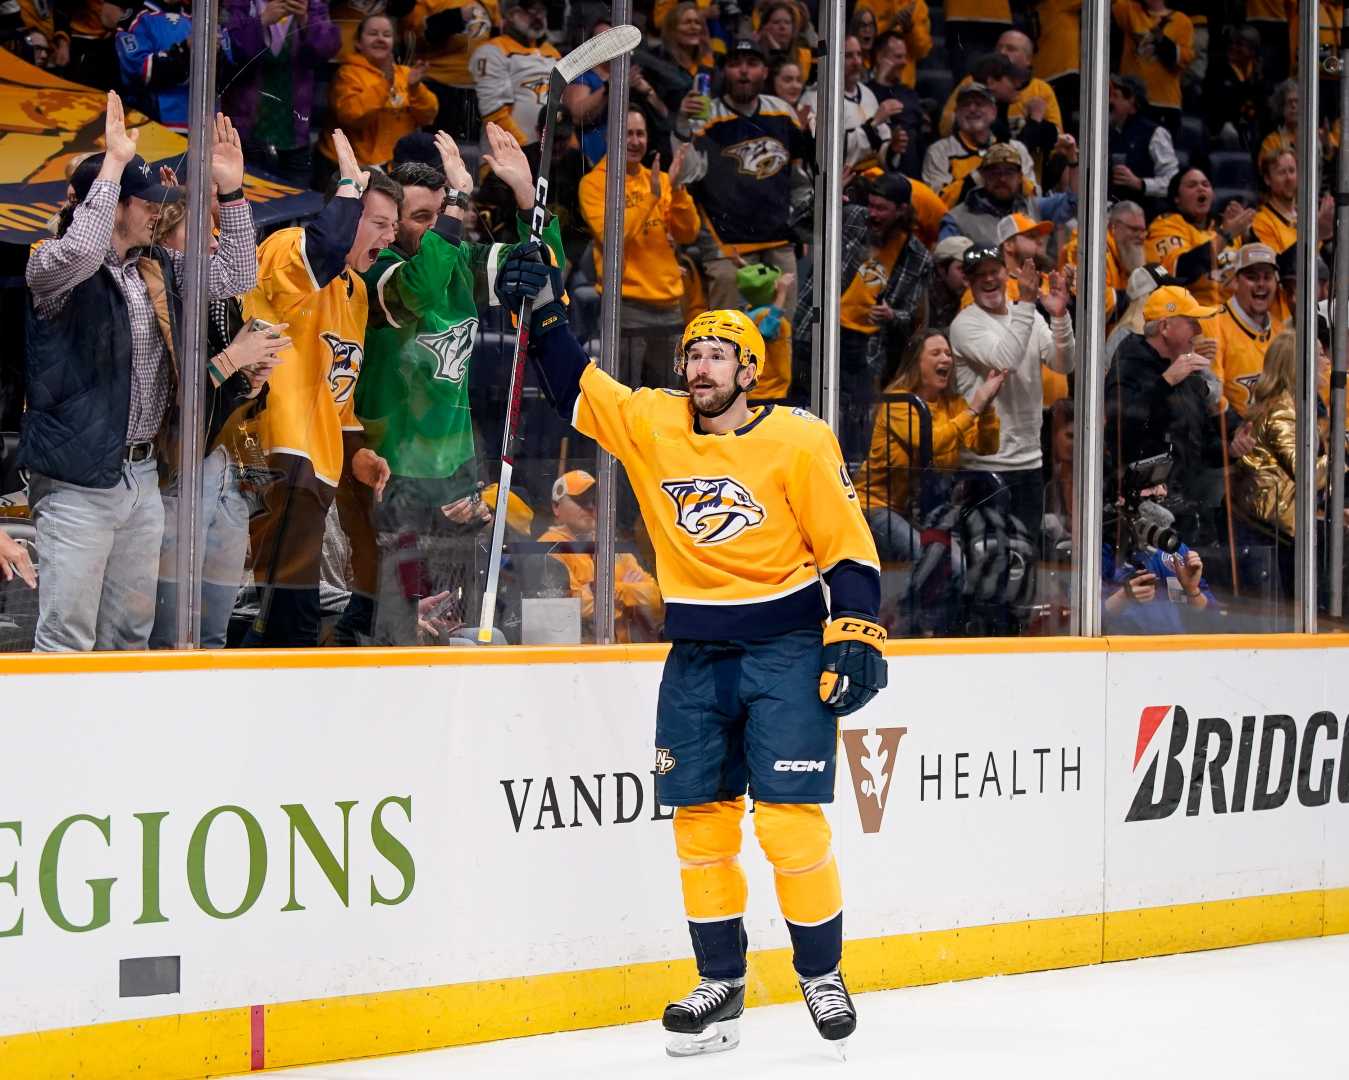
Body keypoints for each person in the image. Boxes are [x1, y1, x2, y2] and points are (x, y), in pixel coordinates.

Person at [495, 250, 888, 1052]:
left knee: (788, 827)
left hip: (784, 645)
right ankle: (722, 983)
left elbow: (846, 546)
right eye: (692, 354)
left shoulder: (798, 439)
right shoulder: (654, 422)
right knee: (700, 827)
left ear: (750, 369)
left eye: (718, 354)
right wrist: (541, 305)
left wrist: (854, 633)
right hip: (697, 654)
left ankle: (820, 972)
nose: (700, 365)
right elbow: (574, 384)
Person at [21, 97, 257, 652]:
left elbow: (237, 274)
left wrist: (234, 192)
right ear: (113, 205)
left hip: (142, 477)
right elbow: (81, 252)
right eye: (145, 202)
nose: (157, 212)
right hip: (78, 484)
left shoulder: (157, 266)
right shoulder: (49, 262)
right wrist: (110, 165)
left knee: (130, 638)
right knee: (66, 640)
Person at [339, 125, 559, 646]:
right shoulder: (378, 271)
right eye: (419, 219)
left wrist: (528, 197)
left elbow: (546, 269)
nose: (434, 228)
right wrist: (460, 201)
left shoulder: (456, 261)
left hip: (454, 471)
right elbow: (420, 291)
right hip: (389, 470)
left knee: (462, 618)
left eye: (439, 216)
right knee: (392, 622)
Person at [240, 130, 394, 647]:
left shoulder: (355, 291)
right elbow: (321, 249)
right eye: (377, 223)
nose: (388, 237)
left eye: (392, 227)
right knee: (285, 626)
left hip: (318, 471)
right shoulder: (289, 246)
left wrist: (359, 455)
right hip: (278, 454)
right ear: (344, 213)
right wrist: (350, 185)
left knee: (296, 622)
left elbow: (340, 398)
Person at [147, 196, 289, 650]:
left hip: (226, 464)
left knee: (213, 636)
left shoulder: (220, 299)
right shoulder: (157, 290)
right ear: (166, 239)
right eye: (199, 233)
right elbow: (173, 392)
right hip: (177, 471)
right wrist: (232, 360)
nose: (212, 244)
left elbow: (224, 389)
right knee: (169, 635)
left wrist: (251, 380)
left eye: (215, 232)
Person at [794, 173, 933, 463]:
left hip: (864, 348)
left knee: (854, 422)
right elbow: (799, 224)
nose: (873, 214)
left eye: (882, 208)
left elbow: (912, 318)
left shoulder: (918, 256)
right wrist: (827, 193)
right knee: (799, 407)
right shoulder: (852, 218)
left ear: (902, 210)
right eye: (871, 205)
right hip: (816, 329)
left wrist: (892, 315)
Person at [951, 245, 1074, 551]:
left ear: (1006, 273)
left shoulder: (1025, 313)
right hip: (984, 465)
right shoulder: (966, 324)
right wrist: (1029, 304)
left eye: (994, 271)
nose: (989, 279)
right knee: (988, 557)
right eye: (980, 275)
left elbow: (1063, 363)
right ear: (968, 281)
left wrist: (1059, 317)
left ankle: (1021, 602)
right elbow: (1005, 360)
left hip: (1029, 460)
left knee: (1025, 554)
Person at [677, 37, 811, 312]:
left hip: (777, 240)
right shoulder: (707, 116)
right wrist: (683, 125)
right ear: (725, 72)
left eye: (752, 64)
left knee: (781, 333)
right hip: (727, 244)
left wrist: (800, 224)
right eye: (735, 64)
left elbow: (798, 178)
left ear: (764, 72)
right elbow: (685, 176)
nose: (744, 71)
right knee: (728, 335)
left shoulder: (782, 113)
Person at [857, 329, 1004, 560]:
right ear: (917, 362)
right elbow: (931, 442)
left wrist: (986, 409)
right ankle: (905, 598)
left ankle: (911, 597)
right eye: (936, 353)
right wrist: (974, 408)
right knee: (934, 560)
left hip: (921, 510)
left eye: (948, 353)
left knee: (958, 565)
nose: (946, 359)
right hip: (875, 506)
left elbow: (985, 447)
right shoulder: (899, 402)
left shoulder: (952, 404)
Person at [579, 108, 699, 388]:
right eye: (627, 133)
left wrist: (678, 188)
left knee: (670, 398)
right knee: (626, 396)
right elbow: (613, 237)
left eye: (640, 134)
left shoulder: (660, 179)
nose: (634, 141)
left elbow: (688, 233)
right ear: (611, 138)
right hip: (626, 307)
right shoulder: (595, 183)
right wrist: (651, 199)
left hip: (669, 304)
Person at [1104, 285, 1236, 529]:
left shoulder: (1187, 374)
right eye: (1192, 322)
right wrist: (1166, 383)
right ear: (1165, 327)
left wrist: (1233, 449)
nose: (1199, 330)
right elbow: (1121, 428)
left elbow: (1202, 445)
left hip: (1188, 503)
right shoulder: (1129, 365)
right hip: (1141, 515)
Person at [222, 0, 341, 187]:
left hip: (294, 135)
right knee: (244, 206)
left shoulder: (312, 4)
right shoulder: (239, 3)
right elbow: (228, 49)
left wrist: (305, 20)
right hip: (246, 135)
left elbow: (328, 48)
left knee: (295, 208)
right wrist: (262, 21)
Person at [538, 470, 664, 642]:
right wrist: (628, 593)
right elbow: (570, 608)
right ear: (556, 507)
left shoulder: (610, 543)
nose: (590, 507)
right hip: (578, 653)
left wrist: (607, 590)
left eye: (594, 501)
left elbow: (653, 597)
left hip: (625, 653)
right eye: (580, 500)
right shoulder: (548, 548)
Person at [320, 14, 438, 171]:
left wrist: (415, 89)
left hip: (394, 165)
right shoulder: (347, 74)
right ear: (358, 42)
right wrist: (385, 84)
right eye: (373, 34)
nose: (380, 39)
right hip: (351, 166)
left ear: (393, 42)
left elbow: (428, 116)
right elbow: (351, 115)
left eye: (387, 35)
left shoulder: (405, 74)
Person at [1145, 168, 1251, 308]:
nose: (1201, 188)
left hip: (1235, 315)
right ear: (1177, 198)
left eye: (1205, 184)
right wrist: (1225, 236)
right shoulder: (1165, 225)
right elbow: (1179, 272)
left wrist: (1247, 235)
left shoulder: (1224, 225)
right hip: (1192, 316)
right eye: (1192, 185)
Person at [938, 31, 1064, 144]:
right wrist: (1034, 120)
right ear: (991, 82)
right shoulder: (971, 85)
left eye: (1011, 49)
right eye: (999, 47)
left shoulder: (1041, 89)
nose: (1002, 52)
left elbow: (1057, 139)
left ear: (1028, 59)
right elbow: (946, 126)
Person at [923, 86, 1034, 208]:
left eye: (979, 104)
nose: (972, 109)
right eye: (965, 104)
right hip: (964, 223)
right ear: (957, 112)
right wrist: (979, 175)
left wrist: (1007, 170)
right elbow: (937, 204)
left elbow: (1034, 196)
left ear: (993, 112)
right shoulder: (939, 151)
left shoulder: (1016, 148)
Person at [472, 0, 560, 153]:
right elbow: (493, 111)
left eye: (542, 11)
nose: (538, 17)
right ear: (512, 14)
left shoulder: (553, 53)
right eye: (532, 11)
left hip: (551, 155)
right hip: (507, 156)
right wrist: (523, 147)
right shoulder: (491, 50)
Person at [799, 35, 896, 171]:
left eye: (859, 54)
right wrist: (872, 124)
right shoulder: (811, 100)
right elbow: (826, 152)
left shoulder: (867, 93)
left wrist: (893, 147)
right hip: (838, 184)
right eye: (848, 56)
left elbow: (881, 142)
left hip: (874, 178)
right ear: (830, 60)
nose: (857, 62)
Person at [1205, 243, 1279, 419]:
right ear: (1236, 281)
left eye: (1267, 277)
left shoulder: (1282, 332)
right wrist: (1236, 432)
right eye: (1252, 277)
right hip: (1232, 440)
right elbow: (1211, 396)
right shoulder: (1211, 324)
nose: (1261, 284)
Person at [406, 0, 495, 140]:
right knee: (438, 152)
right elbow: (418, 34)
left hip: (484, 88)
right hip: (438, 86)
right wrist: (457, 17)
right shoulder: (425, 3)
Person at [1112, 0, 1195, 133]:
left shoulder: (1181, 21)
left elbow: (1181, 60)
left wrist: (1160, 39)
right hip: (1133, 103)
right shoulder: (1130, 10)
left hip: (1165, 103)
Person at [114, 0, 192, 132]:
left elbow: (224, 77)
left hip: (199, 130)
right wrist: (184, 49)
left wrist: (218, 55)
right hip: (151, 128)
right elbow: (141, 71)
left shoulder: (201, 18)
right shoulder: (137, 19)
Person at [1106, 74, 1178, 211]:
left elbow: (1173, 182)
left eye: (1115, 96)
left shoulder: (1155, 134)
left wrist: (1141, 184)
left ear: (1132, 102)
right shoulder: (1107, 134)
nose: (1109, 102)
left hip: (1146, 213)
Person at [868, 32, 925, 178]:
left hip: (911, 169)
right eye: (898, 57)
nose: (905, 62)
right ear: (880, 57)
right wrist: (880, 80)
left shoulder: (908, 93)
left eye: (904, 56)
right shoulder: (865, 91)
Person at [855, 0, 931, 87]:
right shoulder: (866, 2)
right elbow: (860, 41)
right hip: (869, 81)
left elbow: (922, 51)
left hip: (903, 85)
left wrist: (910, 29)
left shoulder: (917, 4)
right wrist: (890, 24)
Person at [928, 235, 973, 328]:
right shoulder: (920, 293)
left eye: (972, 269)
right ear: (941, 268)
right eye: (962, 268)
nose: (969, 277)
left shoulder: (971, 296)